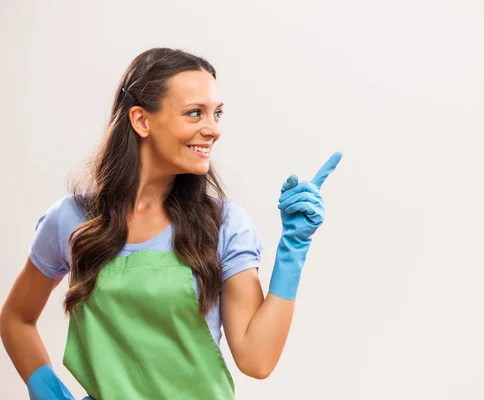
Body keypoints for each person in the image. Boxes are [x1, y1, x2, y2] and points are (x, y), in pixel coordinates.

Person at [0, 47, 342, 400]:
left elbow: (257, 360)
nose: (213, 130)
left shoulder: (224, 224)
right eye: (195, 113)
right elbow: (17, 318)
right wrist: (46, 387)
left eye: (217, 114)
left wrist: (294, 247)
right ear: (141, 120)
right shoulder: (72, 220)